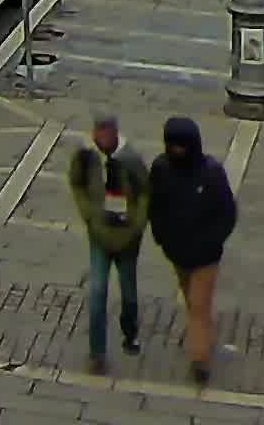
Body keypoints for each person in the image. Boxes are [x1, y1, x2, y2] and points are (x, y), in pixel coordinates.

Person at [148, 115, 240, 388]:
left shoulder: (210, 173)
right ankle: (203, 338)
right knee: (192, 301)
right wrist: (162, 238)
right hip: (177, 251)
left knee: (198, 305)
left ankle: (200, 359)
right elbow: (155, 206)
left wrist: (212, 241)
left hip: (205, 256)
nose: (177, 151)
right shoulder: (161, 169)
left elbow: (227, 212)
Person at [64, 114, 148, 372]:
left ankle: (130, 329)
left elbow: (145, 193)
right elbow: (76, 183)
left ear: (114, 131)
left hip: (126, 237)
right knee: (98, 291)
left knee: (129, 293)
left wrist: (136, 224)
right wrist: (88, 214)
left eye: (106, 131)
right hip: (100, 234)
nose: (102, 136)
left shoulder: (130, 159)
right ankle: (97, 353)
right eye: (98, 130)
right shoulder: (87, 157)